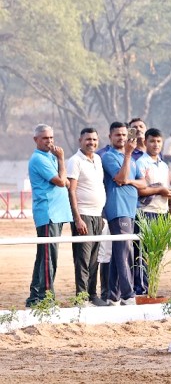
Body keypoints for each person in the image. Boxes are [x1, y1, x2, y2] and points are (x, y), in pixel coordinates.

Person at [26, 124, 72, 308]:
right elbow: (62, 181)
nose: (50, 141)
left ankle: (35, 296)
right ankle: (46, 298)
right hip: (48, 213)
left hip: (56, 213)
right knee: (48, 258)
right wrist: (61, 159)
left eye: (51, 137)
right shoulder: (39, 159)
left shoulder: (49, 157)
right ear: (36, 139)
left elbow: (66, 181)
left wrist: (61, 170)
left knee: (45, 256)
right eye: (45, 138)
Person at [101, 121, 146, 305]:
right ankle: (128, 295)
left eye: (123, 134)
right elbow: (119, 178)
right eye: (117, 135)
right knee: (124, 251)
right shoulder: (108, 157)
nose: (121, 138)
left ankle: (113, 295)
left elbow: (143, 183)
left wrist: (130, 181)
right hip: (117, 208)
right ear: (110, 137)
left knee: (120, 251)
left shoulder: (134, 161)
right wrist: (127, 154)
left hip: (131, 208)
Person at [66, 127, 108, 306]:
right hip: (83, 215)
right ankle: (81, 298)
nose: (91, 142)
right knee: (82, 259)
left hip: (98, 216)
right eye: (88, 139)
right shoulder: (75, 161)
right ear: (80, 141)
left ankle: (92, 294)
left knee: (94, 258)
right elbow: (72, 190)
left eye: (94, 139)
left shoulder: (97, 159)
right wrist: (77, 218)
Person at [134, 128, 171, 295]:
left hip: (162, 213)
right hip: (146, 212)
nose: (156, 144)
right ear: (145, 142)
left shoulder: (165, 166)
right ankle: (141, 290)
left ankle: (152, 289)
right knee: (143, 254)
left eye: (159, 141)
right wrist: (160, 190)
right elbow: (140, 191)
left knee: (157, 254)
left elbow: (166, 190)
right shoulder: (141, 163)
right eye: (152, 141)